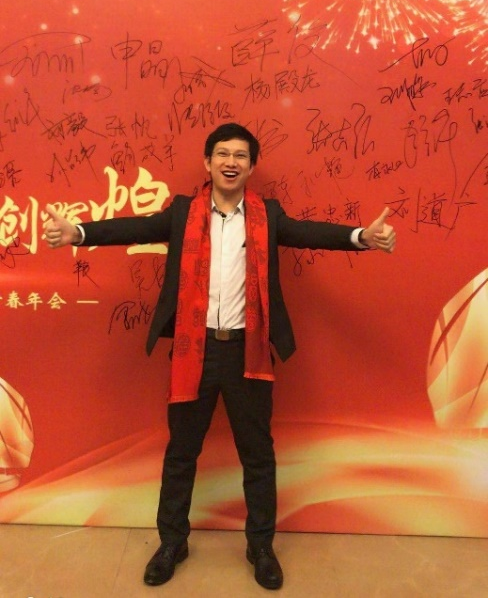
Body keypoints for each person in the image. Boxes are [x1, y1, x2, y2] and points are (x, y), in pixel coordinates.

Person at [44, 123, 396, 590]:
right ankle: (172, 543)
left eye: (241, 155)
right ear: (208, 162)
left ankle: (261, 546)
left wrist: (361, 237)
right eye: (223, 154)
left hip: (248, 350)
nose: (232, 162)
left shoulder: (268, 215)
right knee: (181, 453)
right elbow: (134, 226)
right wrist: (77, 232)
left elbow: (308, 232)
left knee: (258, 455)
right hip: (195, 349)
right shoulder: (181, 213)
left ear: (251, 166)